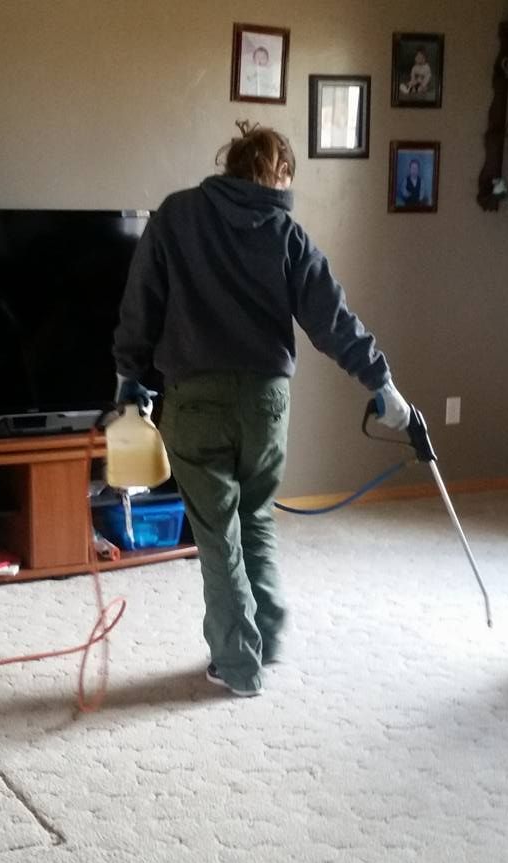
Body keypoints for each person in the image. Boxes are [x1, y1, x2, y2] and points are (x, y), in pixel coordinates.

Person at [112, 121, 411, 698]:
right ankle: (267, 636)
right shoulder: (284, 231)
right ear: (280, 176)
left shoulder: (176, 216)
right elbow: (332, 318)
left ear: (230, 166)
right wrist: (382, 383)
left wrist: (130, 373)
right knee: (254, 515)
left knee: (217, 532)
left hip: (195, 400)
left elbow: (140, 300)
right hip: (266, 402)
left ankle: (237, 662)